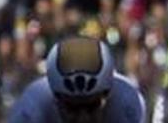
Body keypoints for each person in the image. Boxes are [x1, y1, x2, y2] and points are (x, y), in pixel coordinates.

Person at [8, 36, 145, 123]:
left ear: (108, 95)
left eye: (91, 107)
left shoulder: (127, 102)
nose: (82, 119)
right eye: (72, 107)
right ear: (55, 97)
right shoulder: (32, 107)